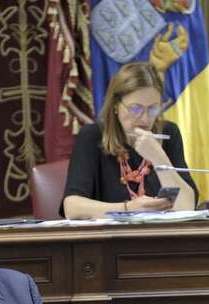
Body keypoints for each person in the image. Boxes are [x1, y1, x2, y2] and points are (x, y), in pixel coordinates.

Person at [61, 61, 198, 219]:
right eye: (135, 109)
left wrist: (158, 158)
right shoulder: (92, 136)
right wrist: (129, 208)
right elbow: (72, 207)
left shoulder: (168, 133)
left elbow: (187, 207)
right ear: (115, 106)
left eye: (153, 109)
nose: (145, 119)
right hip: (108, 239)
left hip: (158, 238)